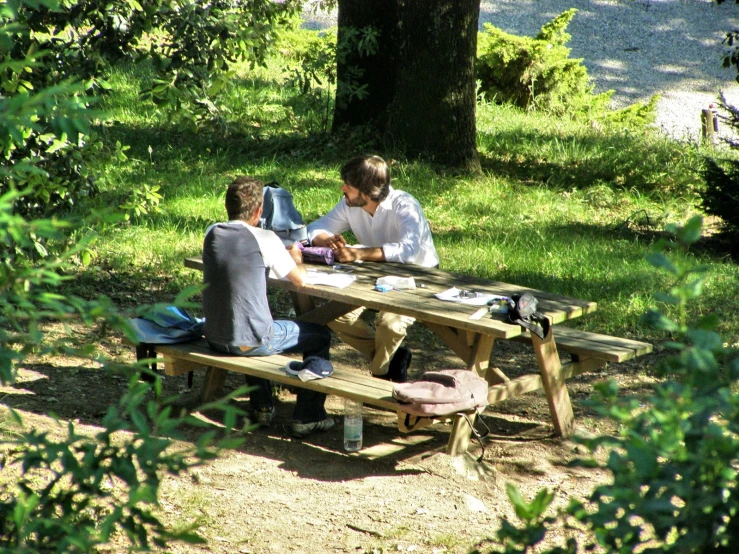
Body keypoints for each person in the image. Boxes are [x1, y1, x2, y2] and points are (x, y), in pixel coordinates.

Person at [201, 176, 335, 438]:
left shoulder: (212, 231)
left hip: (215, 336)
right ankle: (309, 416)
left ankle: (262, 406)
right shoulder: (265, 238)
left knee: (248, 320)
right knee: (319, 335)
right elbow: (300, 280)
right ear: (260, 210)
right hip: (251, 340)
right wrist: (295, 258)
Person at [307, 155, 439, 383]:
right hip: (373, 276)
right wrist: (324, 240)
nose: (342, 189)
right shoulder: (350, 203)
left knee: (390, 324)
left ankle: (380, 376)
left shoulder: (405, 204)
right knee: (335, 316)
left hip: (416, 278)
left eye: (348, 186)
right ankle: (393, 358)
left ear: (365, 191)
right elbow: (317, 226)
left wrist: (358, 253)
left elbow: (408, 251)